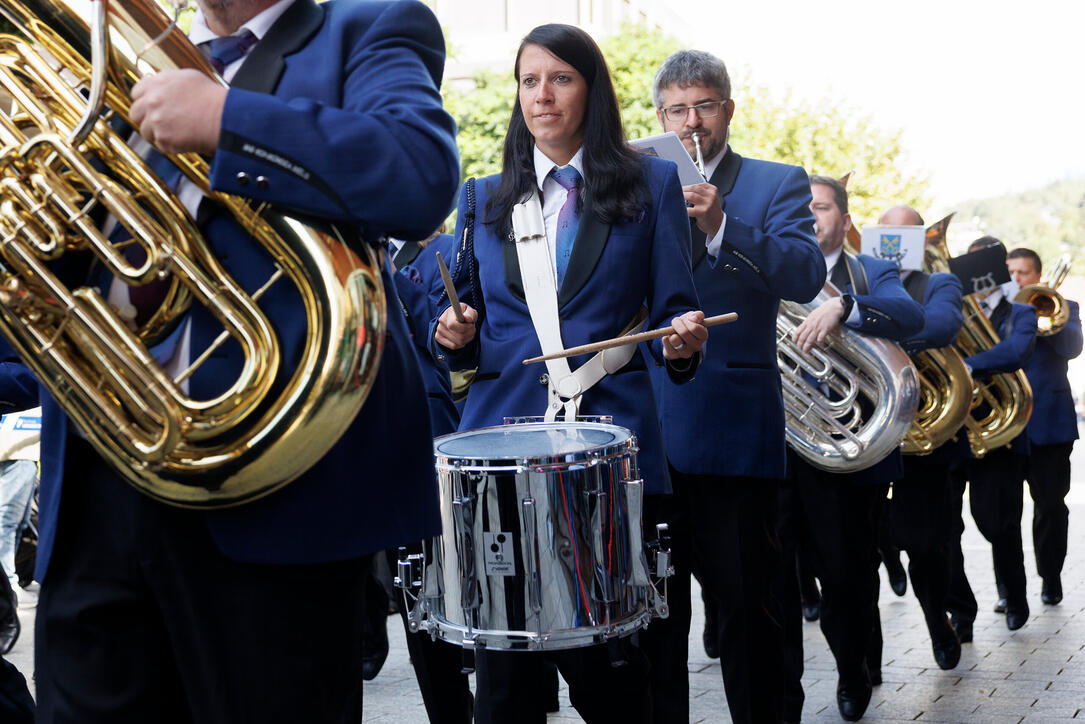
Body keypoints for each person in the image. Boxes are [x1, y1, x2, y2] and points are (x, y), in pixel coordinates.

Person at [3, 1, 460, 721]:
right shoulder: (104, 54)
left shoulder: (367, 26)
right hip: (98, 490)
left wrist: (225, 117)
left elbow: (417, 174)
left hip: (276, 502)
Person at [433, 24, 707, 724]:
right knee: (504, 685)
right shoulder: (483, 196)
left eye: (560, 79)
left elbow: (673, 313)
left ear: (592, 91)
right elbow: (465, 330)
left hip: (608, 451)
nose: (542, 96)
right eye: (529, 81)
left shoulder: (651, 184)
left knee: (615, 677)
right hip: (500, 457)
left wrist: (681, 345)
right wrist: (452, 334)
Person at [636, 49, 825, 724]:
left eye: (704, 107)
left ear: (728, 109)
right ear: (660, 118)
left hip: (733, 435)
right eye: (676, 110)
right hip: (647, 438)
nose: (691, 122)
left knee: (753, 617)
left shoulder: (776, 182)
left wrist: (722, 225)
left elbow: (804, 274)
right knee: (652, 627)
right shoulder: (634, 184)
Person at [784, 176, 924, 722]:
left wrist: (845, 306)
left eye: (820, 207)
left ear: (844, 221)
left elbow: (909, 315)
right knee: (776, 575)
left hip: (848, 450)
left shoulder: (869, 270)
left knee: (846, 573)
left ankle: (852, 668)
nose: (809, 216)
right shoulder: (770, 267)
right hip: (779, 445)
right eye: (801, 208)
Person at [877, 205, 967, 671]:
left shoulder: (939, 283)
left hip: (923, 438)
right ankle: (864, 663)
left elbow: (942, 325)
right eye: (886, 231)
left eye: (904, 233)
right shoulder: (859, 278)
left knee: (926, 544)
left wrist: (873, 324)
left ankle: (937, 620)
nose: (894, 241)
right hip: (865, 431)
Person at [952, 237, 1037, 634]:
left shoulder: (1021, 311)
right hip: (952, 433)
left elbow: (1016, 352)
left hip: (1001, 434)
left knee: (998, 524)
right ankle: (961, 612)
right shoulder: (950, 309)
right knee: (945, 528)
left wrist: (966, 367)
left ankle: (1015, 596)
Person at [1006, 247, 1080, 606]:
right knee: (1003, 515)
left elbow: (1072, 348)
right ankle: (1008, 589)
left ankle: (1050, 577)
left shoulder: (1065, 307)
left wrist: (1046, 312)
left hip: (1050, 423)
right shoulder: (997, 311)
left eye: (1022, 273)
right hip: (1005, 424)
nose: (1016, 279)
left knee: (1051, 506)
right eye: (1010, 273)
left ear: (1037, 276)